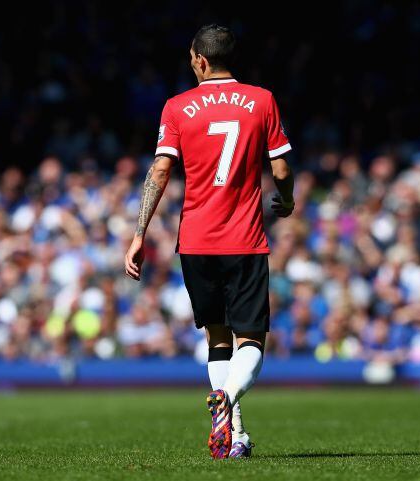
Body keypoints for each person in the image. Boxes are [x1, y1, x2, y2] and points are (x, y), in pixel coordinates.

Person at [124, 24, 294, 459]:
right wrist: (287, 201)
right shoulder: (261, 100)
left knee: (217, 339)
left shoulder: (178, 106)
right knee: (251, 341)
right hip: (245, 240)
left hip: (196, 241)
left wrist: (139, 233)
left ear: (199, 59)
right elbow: (281, 169)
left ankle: (234, 432)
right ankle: (229, 402)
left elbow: (160, 171)